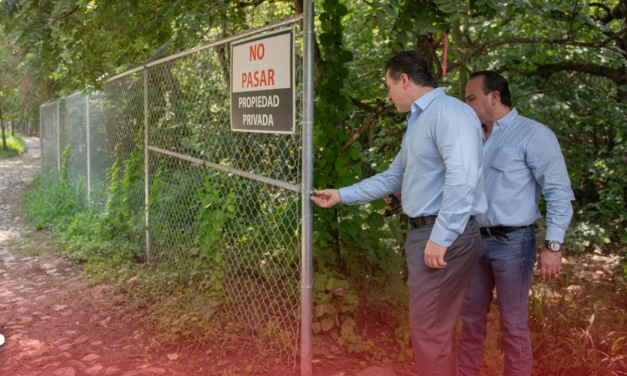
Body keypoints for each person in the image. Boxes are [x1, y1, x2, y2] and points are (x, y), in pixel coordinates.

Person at [311, 51, 487, 376]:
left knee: (429, 333)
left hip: (442, 237)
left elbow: (463, 177)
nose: (387, 95)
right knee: (434, 332)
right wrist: (341, 195)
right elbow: (394, 177)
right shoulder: (418, 120)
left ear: (404, 80)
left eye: (388, 86)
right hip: (427, 234)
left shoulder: (450, 113)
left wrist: (441, 236)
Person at [458, 71, 575, 376]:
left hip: (513, 244)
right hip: (472, 241)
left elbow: (559, 192)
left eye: (471, 98)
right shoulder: (470, 137)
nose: (466, 104)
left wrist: (553, 245)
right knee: (470, 320)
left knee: (512, 324)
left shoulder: (534, 135)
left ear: (494, 97)